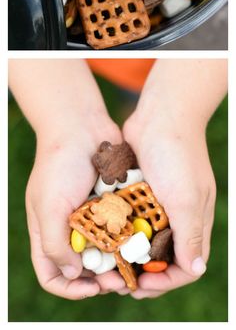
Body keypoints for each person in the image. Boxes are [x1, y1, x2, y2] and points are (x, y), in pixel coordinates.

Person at [8, 58, 227, 300]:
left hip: (171, 67)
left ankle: (139, 108)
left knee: (134, 89)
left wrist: (175, 117)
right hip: (62, 66)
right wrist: (62, 122)